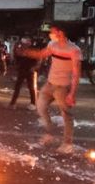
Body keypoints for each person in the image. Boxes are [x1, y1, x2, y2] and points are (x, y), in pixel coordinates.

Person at [23, 25, 81, 154]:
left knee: (66, 115)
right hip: (50, 84)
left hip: (63, 87)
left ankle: (67, 143)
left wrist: (72, 93)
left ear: (61, 32)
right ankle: (49, 134)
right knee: (41, 107)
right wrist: (26, 52)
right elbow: (41, 54)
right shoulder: (52, 44)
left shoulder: (74, 50)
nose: (50, 33)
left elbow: (77, 74)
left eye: (53, 31)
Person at [9, 37, 38, 110]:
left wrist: (34, 67)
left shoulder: (31, 50)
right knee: (19, 87)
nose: (25, 45)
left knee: (29, 87)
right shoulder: (22, 50)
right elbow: (17, 58)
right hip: (24, 70)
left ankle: (32, 103)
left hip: (28, 70)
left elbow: (37, 60)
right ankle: (13, 103)